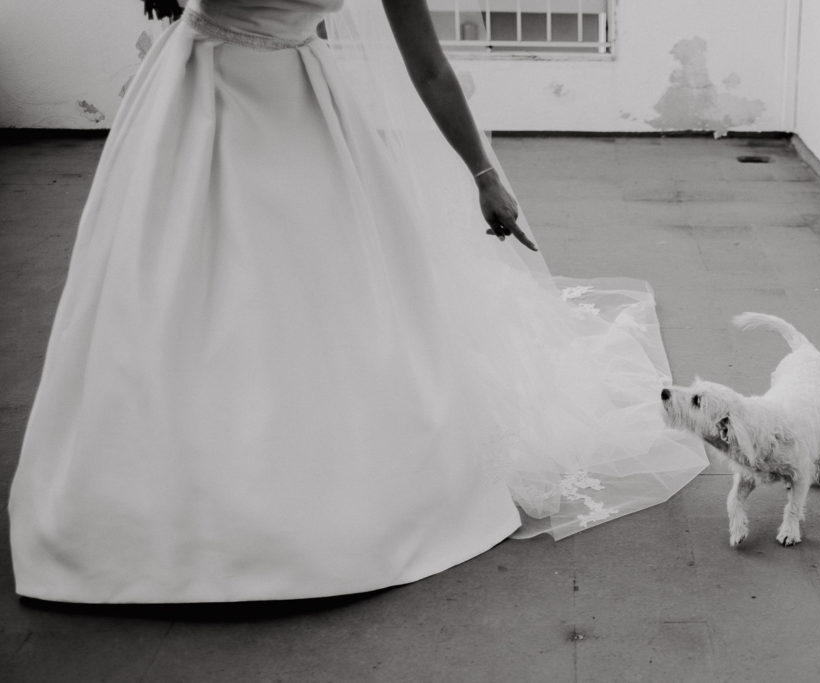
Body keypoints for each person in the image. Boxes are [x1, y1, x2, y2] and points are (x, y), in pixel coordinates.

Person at [8, 0, 707, 604]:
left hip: (298, 109)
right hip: (195, 103)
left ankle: (305, 503)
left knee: (314, 303)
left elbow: (429, 67)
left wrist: (484, 175)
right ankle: (139, 497)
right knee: (172, 295)